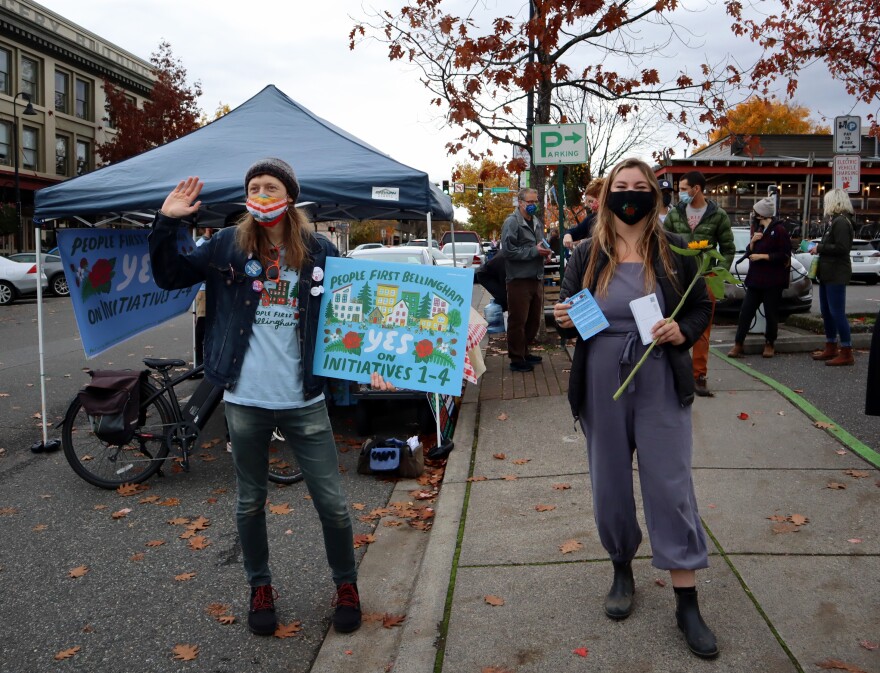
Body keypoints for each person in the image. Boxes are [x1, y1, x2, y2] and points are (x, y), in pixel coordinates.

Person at [148, 159, 362, 637]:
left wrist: (368, 366)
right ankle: (259, 586)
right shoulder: (226, 245)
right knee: (249, 503)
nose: (261, 193)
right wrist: (168, 222)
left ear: (290, 195)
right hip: (244, 400)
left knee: (333, 504)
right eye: (254, 186)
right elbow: (169, 275)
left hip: (304, 399)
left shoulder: (320, 251)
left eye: (271, 186)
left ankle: (346, 584)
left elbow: (352, 318)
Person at [553, 158, 717, 659]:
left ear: (655, 195)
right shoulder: (586, 254)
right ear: (606, 196)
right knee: (610, 480)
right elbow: (569, 313)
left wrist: (680, 330)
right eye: (620, 187)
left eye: (639, 187)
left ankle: (686, 598)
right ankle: (621, 565)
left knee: (670, 483)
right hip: (602, 375)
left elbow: (699, 306)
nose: (630, 195)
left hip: (659, 375)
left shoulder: (673, 254)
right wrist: (563, 318)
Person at [664, 170, 735, 397]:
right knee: (672, 324)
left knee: (702, 328)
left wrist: (718, 272)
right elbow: (663, 244)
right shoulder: (675, 214)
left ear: (697, 189)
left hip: (705, 278)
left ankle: (699, 375)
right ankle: (674, 372)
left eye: (684, 189)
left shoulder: (718, 215)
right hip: (678, 278)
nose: (681, 193)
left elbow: (728, 247)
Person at [726, 197, 791, 359]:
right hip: (755, 279)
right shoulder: (758, 229)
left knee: (771, 313)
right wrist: (753, 244)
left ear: (762, 214)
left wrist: (762, 256)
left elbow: (784, 255)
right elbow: (749, 252)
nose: (753, 215)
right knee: (746, 312)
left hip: (772, 280)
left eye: (755, 212)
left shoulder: (780, 231)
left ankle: (770, 343)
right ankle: (738, 343)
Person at [501, 187, 552, 372]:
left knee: (533, 321)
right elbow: (507, 251)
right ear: (520, 203)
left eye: (535, 201)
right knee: (518, 320)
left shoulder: (536, 221)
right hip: (518, 280)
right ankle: (516, 359)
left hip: (536, 277)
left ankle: (525, 351)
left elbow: (539, 245)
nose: (533, 205)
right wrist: (534, 252)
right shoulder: (512, 222)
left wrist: (545, 254)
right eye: (529, 202)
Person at [810, 189, 855, 366]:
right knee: (827, 311)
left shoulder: (841, 222)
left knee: (837, 312)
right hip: (828, 272)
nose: (824, 205)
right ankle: (831, 346)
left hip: (836, 272)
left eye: (826, 201)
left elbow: (842, 248)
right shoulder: (835, 222)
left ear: (834, 202)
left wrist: (820, 248)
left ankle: (846, 351)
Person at [563, 177, 605, 250]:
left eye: (591, 201)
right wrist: (567, 235)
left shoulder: (617, 218)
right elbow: (576, 231)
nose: (590, 206)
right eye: (588, 202)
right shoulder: (592, 219)